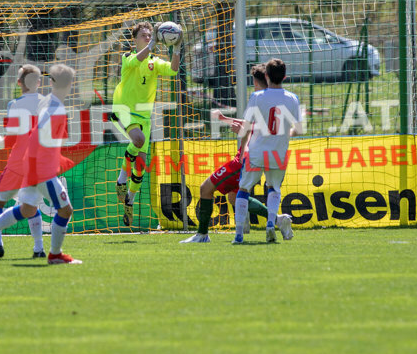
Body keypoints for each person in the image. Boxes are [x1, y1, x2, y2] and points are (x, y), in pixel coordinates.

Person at [0, 64, 81, 265]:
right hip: (41, 171)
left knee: (27, 209)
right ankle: (54, 254)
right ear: (70, 86)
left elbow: (38, 138)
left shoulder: (48, 103)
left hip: (30, 165)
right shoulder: (53, 108)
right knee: (65, 210)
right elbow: (36, 136)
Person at [181, 64, 289, 243]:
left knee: (205, 189)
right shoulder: (275, 101)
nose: (252, 85)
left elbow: (248, 127)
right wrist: (225, 119)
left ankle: (202, 235)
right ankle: (277, 220)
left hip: (244, 159)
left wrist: (241, 131)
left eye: (253, 82)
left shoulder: (257, 99)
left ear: (258, 82)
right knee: (233, 197)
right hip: (261, 158)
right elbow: (256, 125)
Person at [111, 21, 181, 227]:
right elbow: (138, 58)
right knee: (139, 140)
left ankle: (129, 201)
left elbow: (174, 69)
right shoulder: (128, 58)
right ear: (134, 39)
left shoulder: (154, 61)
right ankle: (121, 179)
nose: (148, 38)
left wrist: (176, 48)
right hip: (124, 110)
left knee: (141, 165)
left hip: (144, 117)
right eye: (144, 35)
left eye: (150, 35)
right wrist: (153, 44)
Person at [0, 64, 48, 260]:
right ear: (38, 82)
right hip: (39, 164)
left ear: (19, 82)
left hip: (18, 162)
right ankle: (38, 248)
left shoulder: (15, 105)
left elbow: (10, 140)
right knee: (31, 205)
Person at [233, 58, 301, 244]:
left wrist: (242, 149)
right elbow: (299, 129)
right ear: (285, 77)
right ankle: (270, 224)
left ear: (266, 75)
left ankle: (239, 234)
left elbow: (246, 127)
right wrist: (286, 132)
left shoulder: (258, 97)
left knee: (244, 189)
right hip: (278, 152)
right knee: (273, 188)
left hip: (256, 152)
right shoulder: (292, 98)